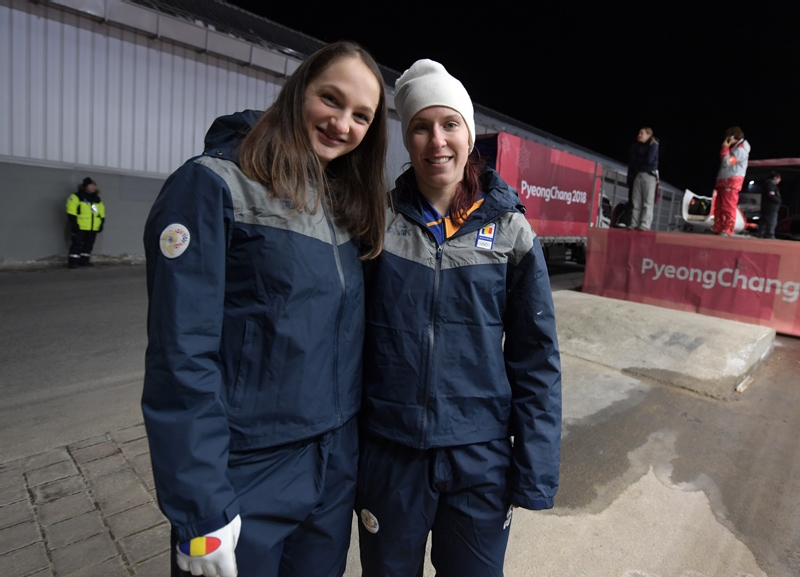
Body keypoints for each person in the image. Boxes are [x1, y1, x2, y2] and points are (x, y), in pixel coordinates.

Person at [141, 41, 388, 577]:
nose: (342, 124)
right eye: (331, 99)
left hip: (331, 468)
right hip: (248, 468)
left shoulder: (342, 206)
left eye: (361, 116)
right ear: (299, 90)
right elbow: (180, 355)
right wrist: (200, 504)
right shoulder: (213, 185)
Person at [355, 59, 562, 577]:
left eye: (450, 124)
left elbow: (536, 358)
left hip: (479, 457)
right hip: (391, 452)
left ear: (469, 135)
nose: (437, 141)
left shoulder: (510, 232)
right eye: (420, 127)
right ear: (407, 139)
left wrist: (534, 467)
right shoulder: (377, 223)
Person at [712, 126, 750, 236]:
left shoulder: (741, 150)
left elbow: (727, 162)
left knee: (728, 206)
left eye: (728, 137)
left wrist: (725, 147)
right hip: (724, 180)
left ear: (733, 137)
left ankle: (728, 229)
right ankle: (718, 226)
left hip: (732, 181)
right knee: (719, 206)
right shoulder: (735, 148)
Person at [65, 177, 105, 268]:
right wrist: (74, 223)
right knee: (77, 244)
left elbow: (101, 212)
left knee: (88, 245)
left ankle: (84, 261)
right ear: (85, 186)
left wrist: (101, 223)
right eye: (91, 185)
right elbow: (71, 211)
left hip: (93, 227)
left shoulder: (97, 199)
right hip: (80, 226)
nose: (93, 187)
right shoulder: (76, 197)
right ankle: (73, 262)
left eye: (94, 185)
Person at [627, 127, 659, 231]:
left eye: (642, 133)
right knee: (636, 200)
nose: (639, 135)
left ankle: (645, 224)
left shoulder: (653, 145)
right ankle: (634, 223)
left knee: (647, 201)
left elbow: (648, 160)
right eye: (639, 133)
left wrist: (639, 160)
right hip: (639, 174)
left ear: (648, 135)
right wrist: (639, 161)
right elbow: (633, 161)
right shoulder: (637, 146)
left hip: (649, 175)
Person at [758, 171, 781, 239]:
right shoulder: (770, 184)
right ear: (775, 178)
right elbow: (771, 195)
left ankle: (761, 234)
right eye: (779, 178)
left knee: (764, 222)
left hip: (766, 207)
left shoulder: (768, 184)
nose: (779, 180)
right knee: (771, 222)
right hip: (770, 207)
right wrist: (778, 201)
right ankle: (770, 235)